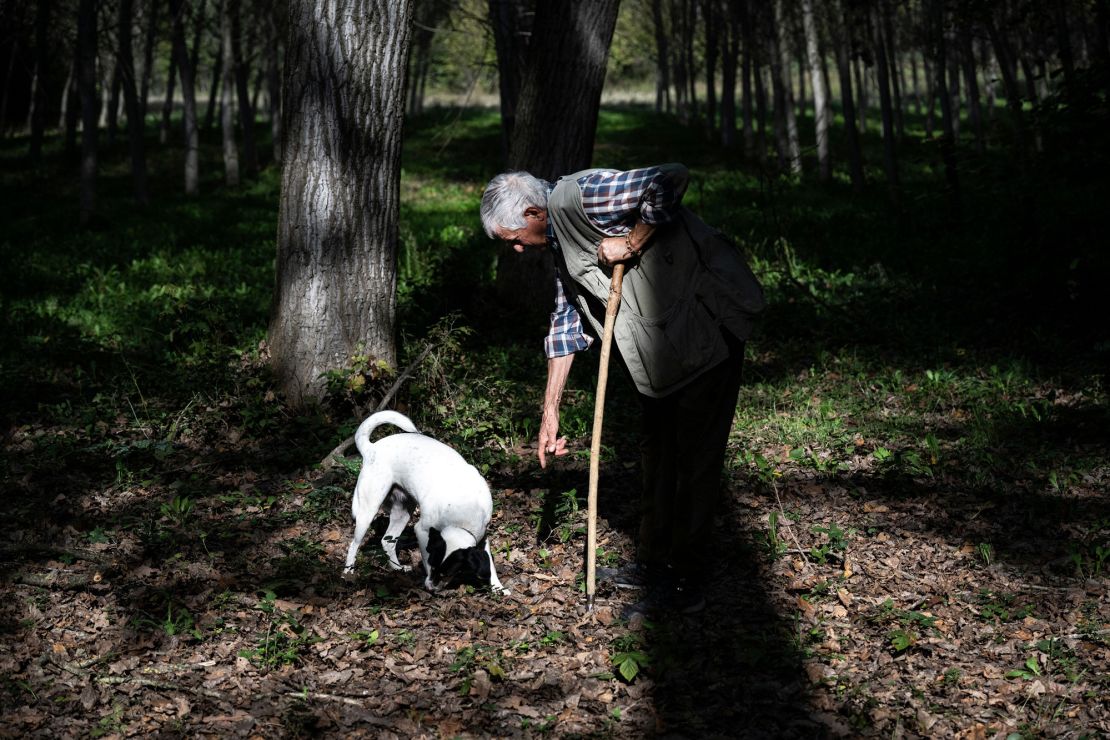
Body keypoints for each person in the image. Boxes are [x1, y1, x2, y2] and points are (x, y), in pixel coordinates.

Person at [480, 164, 764, 616]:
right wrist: (549, 411)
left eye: (513, 237)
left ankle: (685, 582)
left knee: (694, 460)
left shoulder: (584, 196)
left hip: (706, 331)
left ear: (533, 212)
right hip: (665, 351)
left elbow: (670, 179)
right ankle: (653, 564)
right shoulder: (557, 239)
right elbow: (565, 322)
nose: (515, 249)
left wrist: (630, 242)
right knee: (659, 453)